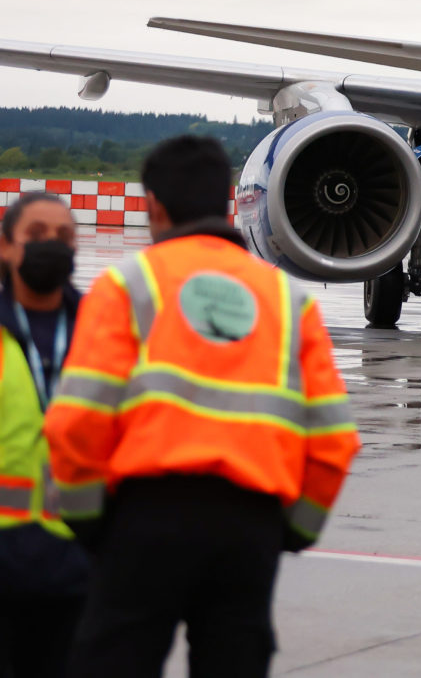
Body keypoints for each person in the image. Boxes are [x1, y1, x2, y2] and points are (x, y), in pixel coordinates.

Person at [44, 136, 361, 678]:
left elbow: (77, 419)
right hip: (250, 527)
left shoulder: (127, 285)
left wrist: (88, 522)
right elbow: (334, 436)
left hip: (144, 520)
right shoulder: (288, 301)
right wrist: (295, 530)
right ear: (228, 204)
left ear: (155, 207)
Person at [0, 192, 91, 677]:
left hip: (77, 567)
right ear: (5, 247)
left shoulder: (106, 334)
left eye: (63, 237)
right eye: (36, 236)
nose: (51, 246)